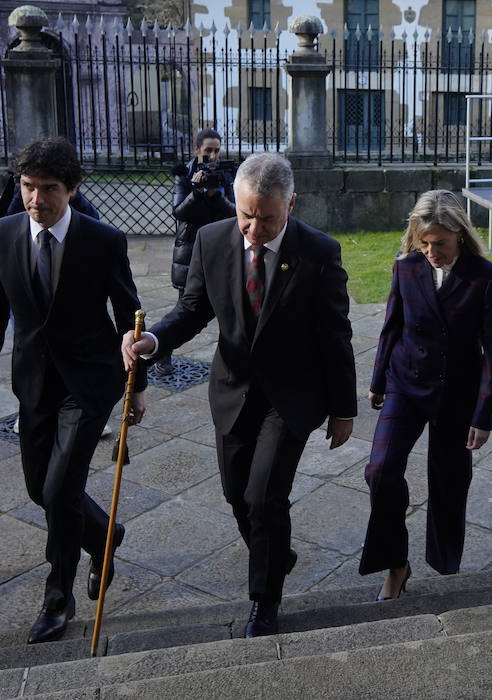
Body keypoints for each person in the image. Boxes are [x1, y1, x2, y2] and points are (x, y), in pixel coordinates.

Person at [122, 152, 357, 637]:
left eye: (266, 218)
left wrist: (343, 410)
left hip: (291, 396)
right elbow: (192, 309)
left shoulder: (318, 252)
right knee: (237, 497)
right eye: (245, 214)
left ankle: (264, 602)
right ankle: (278, 553)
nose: (252, 227)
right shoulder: (212, 240)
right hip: (232, 390)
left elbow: (336, 335)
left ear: (291, 204)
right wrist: (153, 341)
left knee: (265, 499)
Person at [0, 137, 144, 643]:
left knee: (59, 490)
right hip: (33, 382)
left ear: (71, 189)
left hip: (90, 383)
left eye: (49, 189)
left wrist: (138, 386)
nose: (36, 200)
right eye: (28, 187)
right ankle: (106, 535)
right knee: (38, 488)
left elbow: (128, 315)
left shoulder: (102, 241)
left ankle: (57, 597)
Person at [360, 190, 492, 600]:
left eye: (439, 243)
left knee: (449, 481)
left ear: (459, 235)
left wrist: (483, 414)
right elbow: (391, 326)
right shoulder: (405, 268)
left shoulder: (486, 276)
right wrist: (377, 381)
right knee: (380, 471)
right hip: (405, 384)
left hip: (456, 395)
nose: (430, 251)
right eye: (424, 242)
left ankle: (444, 565)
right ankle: (396, 564)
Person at [155, 128, 236, 375]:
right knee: (185, 310)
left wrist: (216, 197)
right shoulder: (184, 174)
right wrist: (197, 193)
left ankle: (233, 360)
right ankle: (161, 350)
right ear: (197, 149)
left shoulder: (225, 173)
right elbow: (179, 212)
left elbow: (234, 211)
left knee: (230, 309)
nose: (213, 155)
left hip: (221, 250)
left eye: (216, 150)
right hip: (190, 251)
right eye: (208, 150)